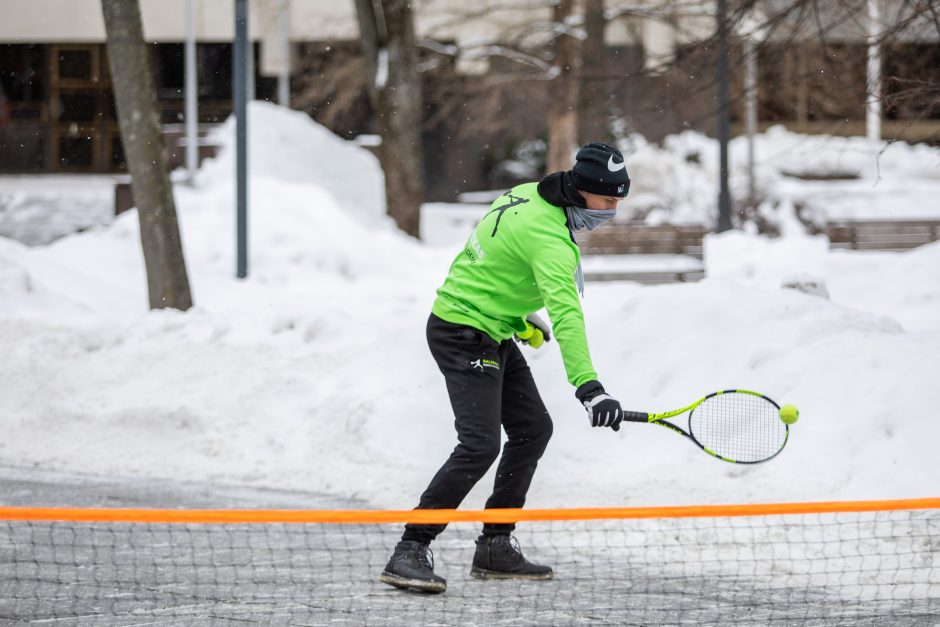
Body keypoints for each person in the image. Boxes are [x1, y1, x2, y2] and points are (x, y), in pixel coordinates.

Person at [379, 142, 631, 594]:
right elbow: (567, 314)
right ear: (585, 192)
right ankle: (410, 549)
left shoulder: (527, 194)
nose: (612, 211)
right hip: (461, 331)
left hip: (488, 326)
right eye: (609, 201)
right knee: (478, 445)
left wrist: (514, 315)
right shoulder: (551, 241)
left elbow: (490, 257)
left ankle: (495, 544)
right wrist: (590, 387)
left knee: (533, 429)